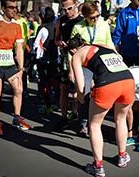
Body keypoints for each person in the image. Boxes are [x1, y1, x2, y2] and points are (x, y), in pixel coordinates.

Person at [67, 34, 135, 177]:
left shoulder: (76, 56)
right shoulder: (102, 45)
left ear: (72, 51)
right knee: (120, 120)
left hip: (107, 84)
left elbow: (80, 86)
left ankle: (98, 166)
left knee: (94, 124)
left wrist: (80, 98)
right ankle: (122, 156)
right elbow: (120, 59)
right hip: (128, 80)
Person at [0, 0, 31, 136]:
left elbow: (19, 49)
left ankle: (17, 118)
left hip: (10, 64)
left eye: (16, 7)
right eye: (11, 7)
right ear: (3, 8)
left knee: (18, 89)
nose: (14, 10)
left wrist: (21, 69)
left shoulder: (17, 25)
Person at [112, 0, 139, 149]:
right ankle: (133, 132)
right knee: (130, 94)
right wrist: (113, 49)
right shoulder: (124, 13)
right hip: (127, 56)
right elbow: (117, 33)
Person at [70, 1, 115, 135]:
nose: (95, 19)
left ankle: (96, 122)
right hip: (85, 64)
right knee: (84, 92)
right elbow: (72, 49)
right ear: (85, 16)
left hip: (102, 64)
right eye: (92, 17)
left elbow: (109, 43)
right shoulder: (78, 27)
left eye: (97, 16)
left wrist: (116, 55)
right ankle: (83, 120)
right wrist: (72, 70)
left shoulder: (103, 25)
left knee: (102, 91)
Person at [55, 0, 83, 130]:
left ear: (76, 4)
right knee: (64, 89)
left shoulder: (82, 21)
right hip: (66, 59)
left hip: (81, 60)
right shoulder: (60, 21)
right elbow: (56, 39)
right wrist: (60, 43)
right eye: (64, 9)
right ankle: (63, 117)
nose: (66, 12)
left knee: (80, 91)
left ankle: (79, 117)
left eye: (69, 8)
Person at [33, 7, 59, 114]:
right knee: (55, 81)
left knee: (44, 83)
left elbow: (36, 44)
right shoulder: (56, 27)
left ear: (43, 16)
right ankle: (57, 103)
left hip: (44, 60)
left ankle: (47, 105)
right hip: (54, 58)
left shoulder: (42, 28)